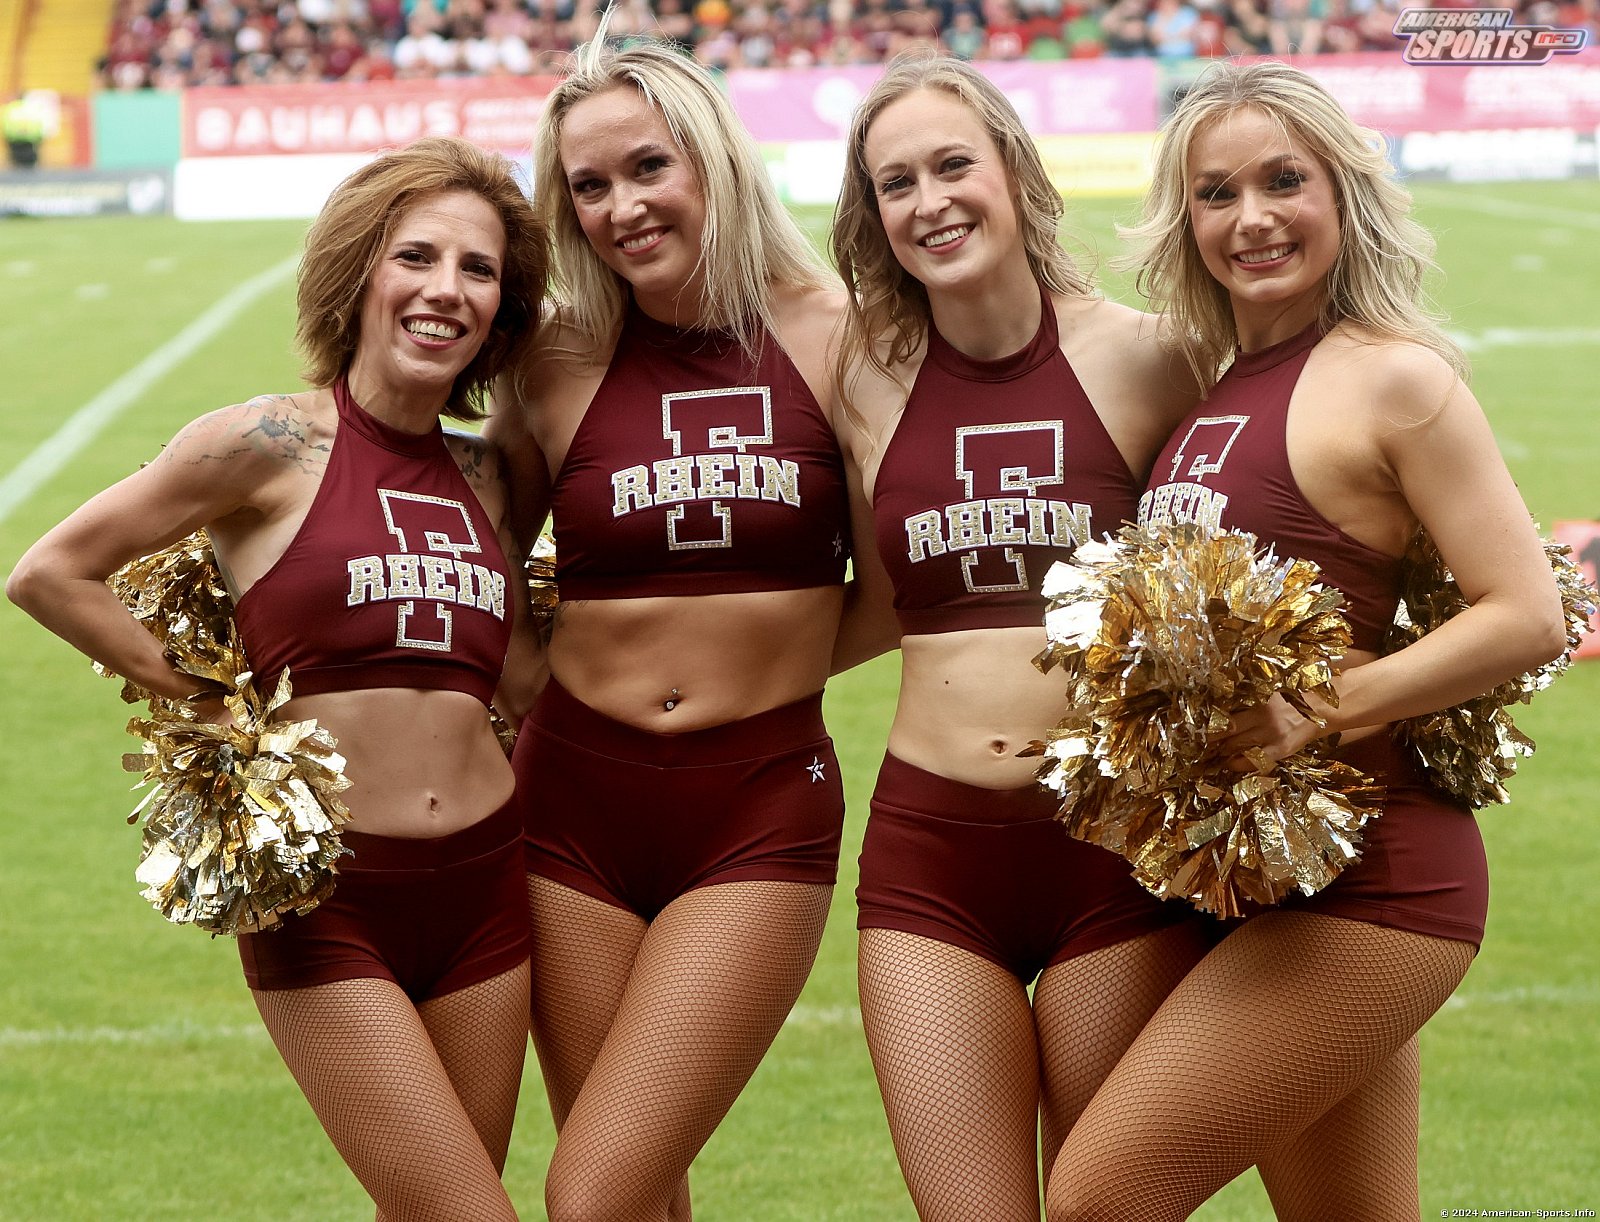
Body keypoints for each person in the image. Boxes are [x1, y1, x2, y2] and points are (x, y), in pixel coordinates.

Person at [1046, 61, 1566, 1221]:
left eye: (1284, 181)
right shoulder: (1211, 391)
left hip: (1377, 882)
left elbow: (1524, 612)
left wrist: (1319, 708)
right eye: (1216, 193)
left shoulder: (1394, 379)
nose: (1252, 218)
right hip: (1255, 871)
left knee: (1097, 1196)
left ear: (1342, 193)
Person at [7, 136, 548, 1222]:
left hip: (489, 886)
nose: (446, 289)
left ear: (501, 308)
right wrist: (213, 706)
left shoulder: (495, 474)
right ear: (359, 272)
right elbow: (51, 573)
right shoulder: (264, 443)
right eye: (416, 256)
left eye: (478, 270)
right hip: (327, 895)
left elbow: (522, 673)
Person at [829, 54, 1214, 1221]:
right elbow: (869, 601)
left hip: (1112, 847)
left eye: (953, 165)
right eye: (896, 183)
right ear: (872, 214)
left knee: (1106, 1204)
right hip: (931, 853)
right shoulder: (858, 377)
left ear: (1013, 171)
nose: (929, 201)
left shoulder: (1152, 355)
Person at [482, 36, 860, 1222]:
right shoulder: (553, 360)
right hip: (567, 805)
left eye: (649, 167)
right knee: (635, 1192)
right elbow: (476, 552)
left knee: (592, 1189)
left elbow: (911, 575)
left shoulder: (841, 334)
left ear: (715, 159)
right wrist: (527, 672)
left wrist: (775, 657)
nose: (622, 208)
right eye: (589, 186)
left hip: (755, 805)